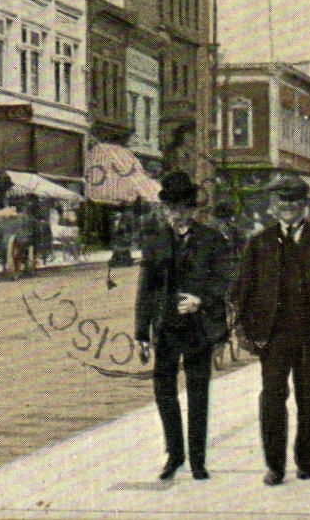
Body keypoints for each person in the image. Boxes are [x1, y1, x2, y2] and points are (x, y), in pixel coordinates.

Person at [232, 175, 310, 486]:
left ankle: (305, 461)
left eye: (295, 202)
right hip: (273, 335)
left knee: (309, 398)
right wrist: (247, 328)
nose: (288, 208)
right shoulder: (259, 242)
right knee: (272, 398)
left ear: (305, 204)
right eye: (282, 203)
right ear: (274, 206)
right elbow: (243, 288)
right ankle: (275, 466)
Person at [134, 171, 236, 481]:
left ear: (193, 209)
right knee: (164, 392)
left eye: (183, 208)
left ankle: (198, 460)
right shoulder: (155, 242)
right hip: (166, 328)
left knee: (198, 393)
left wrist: (200, 299)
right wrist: (141, 333)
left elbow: (226, 280)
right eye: (171, 209)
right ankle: (175, 454)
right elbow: (146, 289)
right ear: (165, 210)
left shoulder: (212, 240)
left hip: (199, 329)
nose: (177, 215)